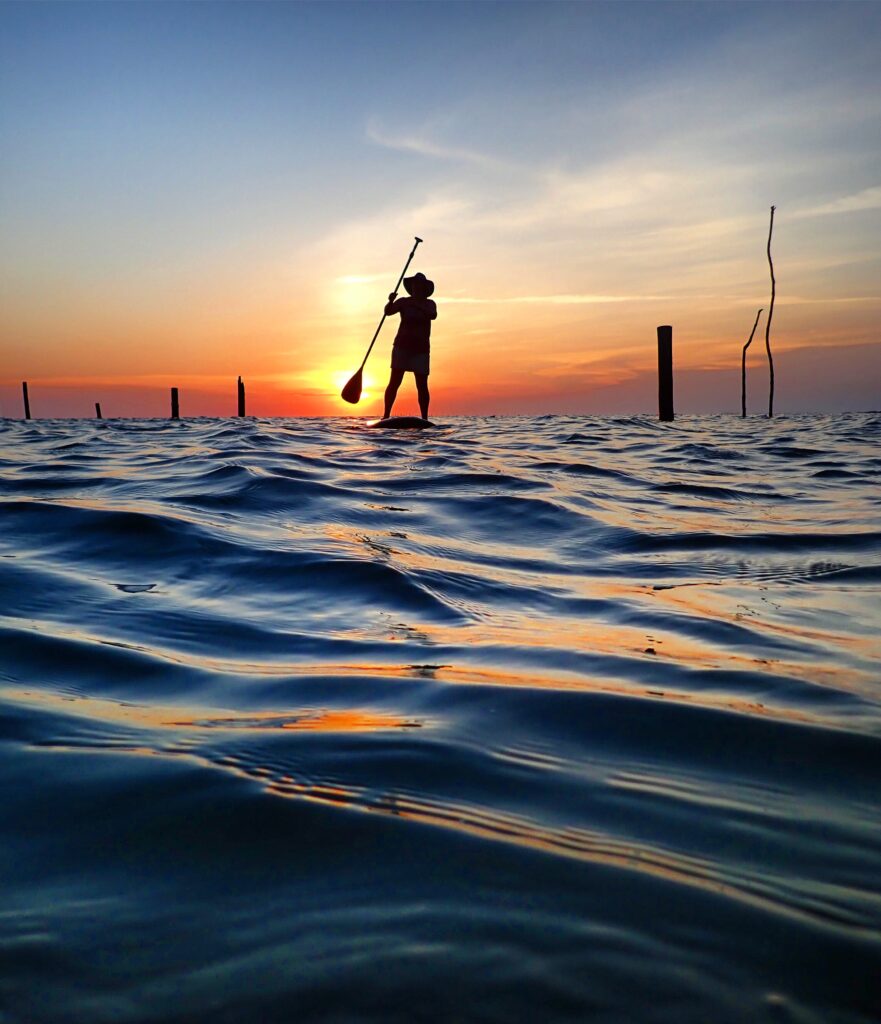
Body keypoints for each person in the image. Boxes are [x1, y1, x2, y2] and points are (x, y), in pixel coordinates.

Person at [382, 272, 436, 420]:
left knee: (422, 385)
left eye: (419, 285)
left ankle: (424, 417)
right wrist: (390, 301)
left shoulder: (429, 303)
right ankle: (386, 415)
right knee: (394, 382)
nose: (416, 287)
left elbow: (433, 315)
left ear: (424, 288)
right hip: (402, 346)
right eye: (414, 285)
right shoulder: (404, 302)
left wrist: (417, 304)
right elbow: (387, 312)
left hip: (421, 349)